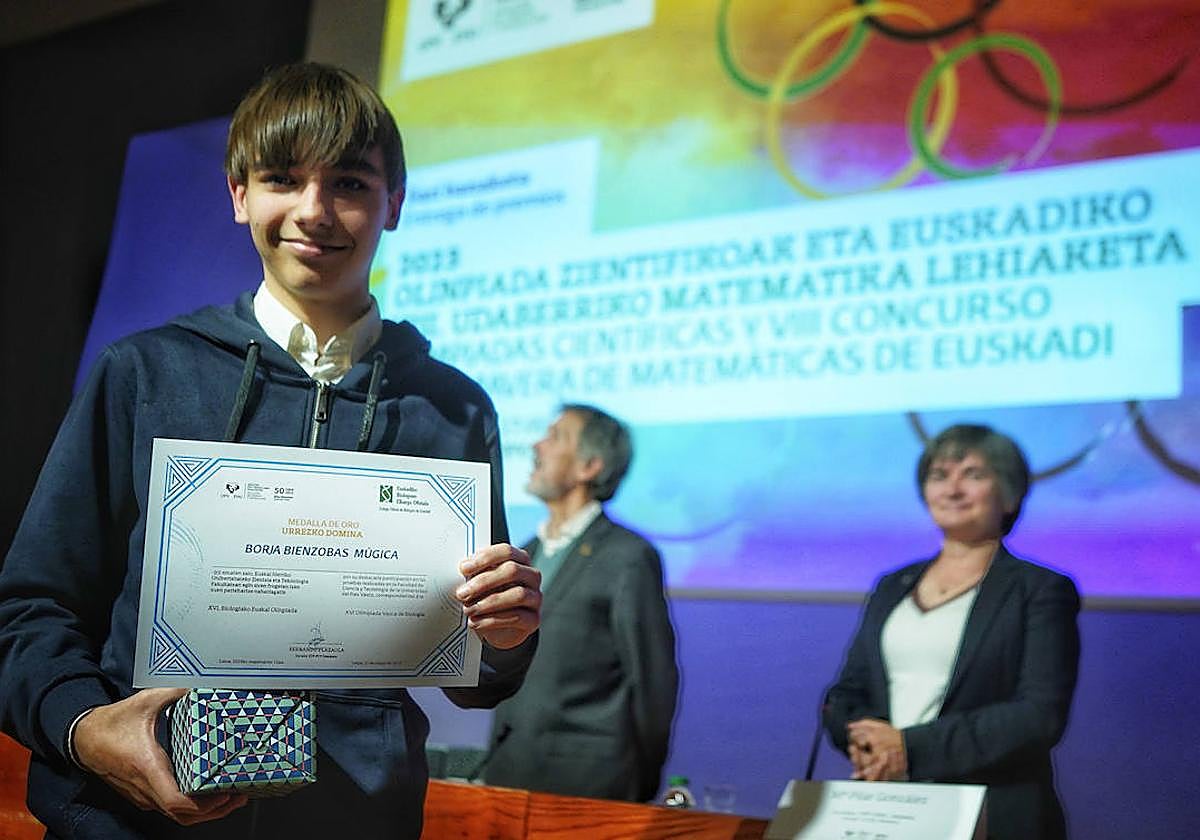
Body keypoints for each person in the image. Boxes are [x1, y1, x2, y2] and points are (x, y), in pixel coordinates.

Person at [0, 63, 542, 840]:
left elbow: (475, 671)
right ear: (239, 194)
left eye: (350, 183)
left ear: (395, 204)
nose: (314, 212)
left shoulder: (451, 408)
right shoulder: (146, 373)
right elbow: (30, 609)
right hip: (131, 823)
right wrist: (87, 729)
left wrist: (506, 638)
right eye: (284, 178)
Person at [823, 424, 1080, 840]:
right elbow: (848, 691)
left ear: (1010, 494)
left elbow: (1038, 715)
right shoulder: (892, 586)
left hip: (991, 812)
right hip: (889, 808)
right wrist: (865, 741)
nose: (953, 489)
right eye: (939, 476)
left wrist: (909, 748)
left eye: (974, 475)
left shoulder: (1040, 590)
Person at [483, 405, 678, 802]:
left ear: (590, 466)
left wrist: (641, 780)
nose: (537, 445)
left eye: (555, 437)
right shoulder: (524, 554)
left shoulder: (627, 556)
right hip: (510, 772)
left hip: (591, 784)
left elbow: (652, 680)